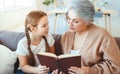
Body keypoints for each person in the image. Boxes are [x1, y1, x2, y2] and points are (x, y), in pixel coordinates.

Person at [60, 0, 120, 74]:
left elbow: (115, 65)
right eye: (69, 19)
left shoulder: (102, 35)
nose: (70, 24)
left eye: (75, 21)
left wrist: (90, 71)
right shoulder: (66, 36)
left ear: (87, 21)